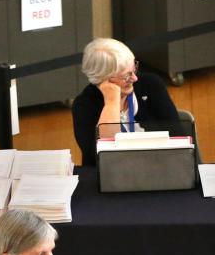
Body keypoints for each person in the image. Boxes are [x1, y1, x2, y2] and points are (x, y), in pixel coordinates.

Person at [71, 38, 181, 166]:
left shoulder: (151, 85)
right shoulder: (84, 106)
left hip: (159, 166)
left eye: (134, 69)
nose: (135, 78)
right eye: (126, 76)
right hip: (112, 176)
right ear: (102, 79)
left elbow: (178, 137)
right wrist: (111, 103)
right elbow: (101, 157)